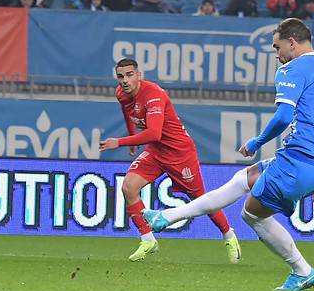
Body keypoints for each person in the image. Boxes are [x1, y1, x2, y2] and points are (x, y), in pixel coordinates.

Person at [144, 18, 314, 291]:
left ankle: (302, 270)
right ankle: (167, 217)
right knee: (243, 179)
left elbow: (282, 118)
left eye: (277, 47)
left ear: (292, 43)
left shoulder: (293, 69)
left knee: (252, 215)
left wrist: (257, 142)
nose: (277, 55)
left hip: (302, 160)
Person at [98, 58, 240, 263]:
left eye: (130, 75)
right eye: (121, 76)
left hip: (179, 153)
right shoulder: (121, 93)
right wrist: (131, 139)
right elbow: (127, 112)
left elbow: (154, 133)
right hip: (156, 152)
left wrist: (119, 141)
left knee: (200, 199)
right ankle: (148, 240)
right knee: (128, 187)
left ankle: (229, 235)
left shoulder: (153, 95)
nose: (125, 80)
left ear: (139, 75)